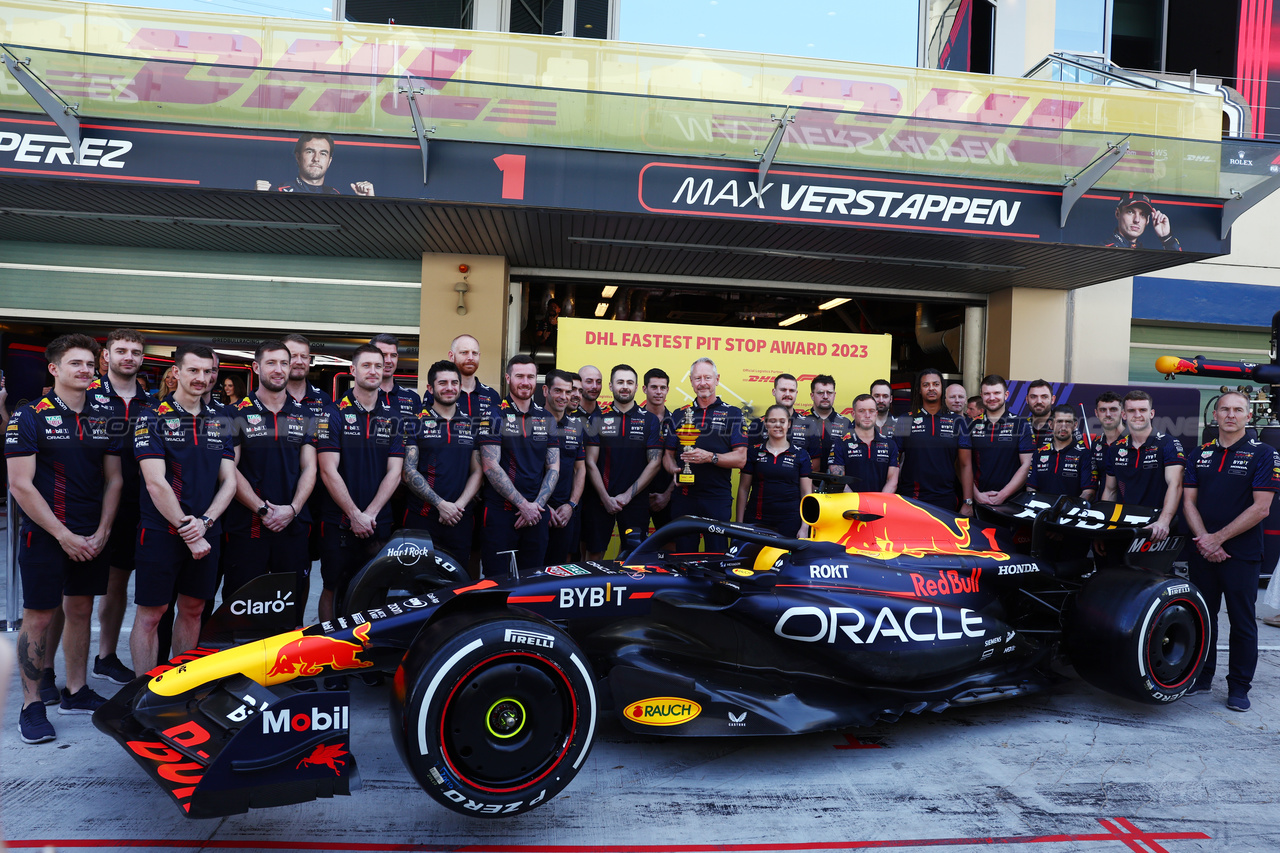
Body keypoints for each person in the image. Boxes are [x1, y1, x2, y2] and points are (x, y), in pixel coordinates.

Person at [6, 335, 122, 742]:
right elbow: (20, 485)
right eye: (76, 363)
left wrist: (104, 529)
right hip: (46, 535)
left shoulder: (105, 415)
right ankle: (31, 704)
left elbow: (114, 479)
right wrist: (63, 534)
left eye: (90, 364)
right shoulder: (30, 416)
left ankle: (76, 690)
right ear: (54, 369)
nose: (85, 370)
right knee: (38, 616)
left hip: (92, 534)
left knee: (81, 611)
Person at [130, 344, 236, 674]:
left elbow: (230, 481)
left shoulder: (221, 420)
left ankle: (179, 686)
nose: (201, 378)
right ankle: (141, 693)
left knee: (193, 609)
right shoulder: (152, 418)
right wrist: (188, 530)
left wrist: (205, 521)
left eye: (208, 371)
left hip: (208, 530)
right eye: (193, 370)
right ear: (176, 372)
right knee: (152, 613)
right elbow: (155, 482)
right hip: (161, 531)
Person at [1182, 392, 1280, 711]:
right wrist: (1205, 540)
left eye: (1238, 410)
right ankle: (1201, 677)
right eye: (1225, 409)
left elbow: (1262, 508)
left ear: (1248, 417)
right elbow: (1188, 502)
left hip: (1242, 554)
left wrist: (1217, 539)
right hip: (1203, 552)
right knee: (1202, 618)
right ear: (1215, 416)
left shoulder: (1264, 454)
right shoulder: (1200, 453)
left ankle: (1239, 687)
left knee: (1242, 622)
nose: (1231, 415)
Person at [223, 341, 317, 607]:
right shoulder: (233, 413)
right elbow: (229, 469)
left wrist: (294, 508)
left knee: (290, 608)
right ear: (256, 367)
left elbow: (310, 466)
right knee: (241, 608)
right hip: (247, 527)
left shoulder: (306, 414)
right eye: (271, 363)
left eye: (284, 363)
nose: (279, 369)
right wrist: (262, 510)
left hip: (293, 526)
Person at [315, 344, 405, 622]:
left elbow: (396, 472)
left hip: (380, 522)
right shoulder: (330, 413)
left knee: (375, 591)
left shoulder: (395, 416)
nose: (374, 371)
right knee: (332, 587)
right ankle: (327, 651)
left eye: (378, 366)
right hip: (339, 522)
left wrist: (371, 514)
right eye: (367, 365)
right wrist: (354, 515)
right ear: (353, 371)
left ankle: (369, 653)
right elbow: (327, 470)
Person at [91, 328, 155, 687]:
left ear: (142, 358)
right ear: (107, 356)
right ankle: (57, 670)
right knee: (78, 594)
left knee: (123, 583)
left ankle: (106, 657)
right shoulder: (88, 396)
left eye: (135, 352)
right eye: (121, 351)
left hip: (142, 505)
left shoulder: (152, 403)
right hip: (92, 505)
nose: (128, 357)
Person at [480, 355, 560, 572]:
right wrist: (523, 505)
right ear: (508, 378)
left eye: (531, 376)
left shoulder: (547, 418)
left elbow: (553, 467)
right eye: (520, 376)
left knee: (532, 582)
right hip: (501, 514)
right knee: (496, 583)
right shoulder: (493, 414)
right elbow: (489, 465)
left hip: (537, 513)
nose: (526, 382)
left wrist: (536, 507)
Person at [402, 360, 483, 568]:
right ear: (430, 388)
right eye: (443, 383)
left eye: (454, 382)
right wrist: (440, 504)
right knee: (418, 584)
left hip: (460, 518)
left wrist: (458, 507)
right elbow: (408, 471)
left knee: (457, 582)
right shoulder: (414, 422)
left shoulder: (471, 424)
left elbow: (477, 471)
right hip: (422, 518)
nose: (450, 388)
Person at [663, 357, 747, 552]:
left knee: (716, 558)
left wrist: (710, 457)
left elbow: (741, 458)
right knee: (683, 557)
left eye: (707, 377)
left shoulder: (733, 414)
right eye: (697, 378)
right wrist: (674, 469)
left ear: (717, 379)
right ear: (691, 382)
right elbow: (667, 454)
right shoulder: (679, 414)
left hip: (716, 498)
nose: (703, 383)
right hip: (684, 497)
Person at [583, 364, 663, 559]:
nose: (625, 386)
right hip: (600, 500)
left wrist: (628, 495)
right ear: (611, 386)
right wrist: (605, 498)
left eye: (629, 382)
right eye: (620, 382)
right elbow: (590, 462)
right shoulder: (596, 418)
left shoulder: (650, 420)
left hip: (635, 500)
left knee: (632, 556)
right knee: (594, 554)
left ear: (637, 387)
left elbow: (655, 462)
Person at [1102, 390, 1185, 541]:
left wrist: (1163, 522)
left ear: (1151, 413)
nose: (1137, 415)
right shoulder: (1115, 448)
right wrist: (1103, 528)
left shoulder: (1168, 444)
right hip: (1123, 526)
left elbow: (1176, 484)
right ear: (1124, 415)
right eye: (1131, 410)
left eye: (1143, 410)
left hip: (1155, 528)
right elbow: (1110, 490)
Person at [897, 368, 972, 513]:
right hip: (911, 497)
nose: (931, 388)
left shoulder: (957, 421)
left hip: (945, 498)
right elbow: (894, 463)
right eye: (926, 385)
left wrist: (968, 502)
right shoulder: (905, 419)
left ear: (942, 388)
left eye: (936, 384)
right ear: (919, 390)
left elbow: (965, 465)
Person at [735, 405, 813, 537]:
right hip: (757, 520)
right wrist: (739, 524)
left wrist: (805, 527)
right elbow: (743, 489)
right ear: (765, 423)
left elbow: (806, 493)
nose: (778, 425)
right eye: (773, 421)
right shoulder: (753, 452)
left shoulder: (801, 454)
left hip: (790, 522)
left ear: (789, 424)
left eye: (782, 421)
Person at [967, 374, 1034, 508]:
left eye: (997, 393)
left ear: (1006, 394)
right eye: (987, 394)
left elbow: (1026, 465)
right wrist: (975, 494)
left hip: (1011, 502)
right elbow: (963, 464)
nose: (992, 398)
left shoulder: (1021, 424)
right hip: (979, 502)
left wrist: (1003, 495)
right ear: (981, 396)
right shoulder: (970, 425)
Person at [543, 369, 586, 564]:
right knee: (532, 572)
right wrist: (543, 505)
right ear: (546, 391)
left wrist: (571, 505)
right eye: (558, 391)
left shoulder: (575, 426)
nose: (564, 397)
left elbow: (580, 469)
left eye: (567, 392)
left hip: (565, 512)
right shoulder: (532, 422)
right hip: (537, 511)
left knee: (560, 570)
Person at [256, 132, 375, 196]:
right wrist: (258, 199)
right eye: (310, 152)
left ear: (329, 161)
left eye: (323, 153)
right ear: (298, 157)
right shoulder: (278, 192)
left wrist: (367, 202)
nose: (316, 158)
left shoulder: (336, 196)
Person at [828, 394, 899, 493]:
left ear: (876, 413)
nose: (867, 415)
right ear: (853, 414)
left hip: (880, 505)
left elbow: (892, 480)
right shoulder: (840, 443)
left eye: (871, 411)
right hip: (851, 505)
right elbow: (838, 480)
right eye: (861, 411)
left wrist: (878, 504)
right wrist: (858, 504)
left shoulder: (890, 444)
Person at [1027, 405, 1097, 499]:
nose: (1063, 427)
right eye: (1059, 421)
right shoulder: (1039, 454)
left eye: (1068, 422)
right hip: (1042, 511)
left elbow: (1089, 492)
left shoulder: (1085, 455)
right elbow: (1031, 488)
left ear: (1075, 425)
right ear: (1051, 424)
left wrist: (1071, 509)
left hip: (1071, 511)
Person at [792, 374, 850, 474]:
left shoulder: (845, 423)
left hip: (836, 482)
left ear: (834, 395)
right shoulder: (798, 421)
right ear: (812, 395)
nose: (825, 396)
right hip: (803, 479)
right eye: (820, 393)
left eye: (829, 393)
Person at [642, 368, 676, 532]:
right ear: (644, 389)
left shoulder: (677, 422)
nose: (658, 392)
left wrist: (667, 495)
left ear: (668, 390)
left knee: (670, 547)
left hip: (667, 495)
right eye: (654, 387)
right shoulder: (634, 419)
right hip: (636, 495)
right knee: (631, 545)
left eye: (662, 388)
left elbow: (682, 461)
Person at [369, 333, 420, 427]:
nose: (389, 360)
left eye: (393, 355)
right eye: (383, 355)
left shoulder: (413, 398)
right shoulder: (361, 396)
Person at [1104, 192, 1180, 250]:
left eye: (1142, 215)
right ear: (1118, 213)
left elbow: (1180, 268)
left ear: (1147, 220)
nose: (1137, 220)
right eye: (1130, 212)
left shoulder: (1142, 251)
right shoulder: (1105, 250)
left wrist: (1167, 239)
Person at [1089, 391, 1125, 491]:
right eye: (1103, 410)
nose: (1108, 414)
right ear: (1096, 413)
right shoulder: (1096, 444)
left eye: (1113, 409)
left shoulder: (1134, 441)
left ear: (1123, 412)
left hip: (1129, 505)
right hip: (1104, 503)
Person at [1023, 379, 1056, 446]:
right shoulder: (1021, 427)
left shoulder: (1063, 427)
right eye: (1033, 397)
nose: (1039, 401)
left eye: (1044, 397)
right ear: (1027, 400)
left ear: (1052, 400)